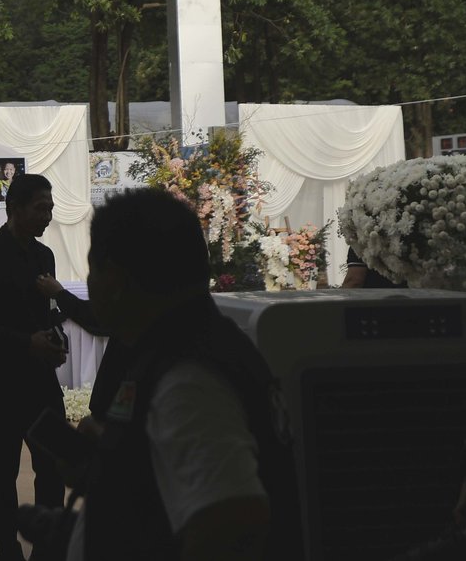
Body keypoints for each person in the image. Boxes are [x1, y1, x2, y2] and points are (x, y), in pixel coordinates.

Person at [49, 187, 303, 561]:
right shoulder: (190, 345)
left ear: (116, 280)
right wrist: (111, 459)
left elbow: (233, 522)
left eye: (93, 268)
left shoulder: (188, 376)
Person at [0, 173, 69, 561]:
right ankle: (6, 548)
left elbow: (50, 312)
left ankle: (48, 545)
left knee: (53, 465)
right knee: (3, 465)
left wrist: (57, 339)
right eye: (41, 208)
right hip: (2, 378)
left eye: (50, 208)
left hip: (41, 378)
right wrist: (26, 342)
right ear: (16, 208)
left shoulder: (44, 256)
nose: (48, 216)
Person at [342, 246, 406, 289]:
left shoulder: (361, 243)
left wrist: (340, 306)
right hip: (411, 301)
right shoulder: (410, 238)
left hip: (375, 303)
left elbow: (354, 280)